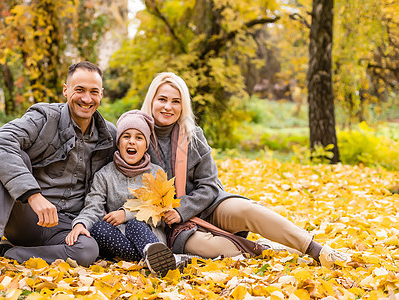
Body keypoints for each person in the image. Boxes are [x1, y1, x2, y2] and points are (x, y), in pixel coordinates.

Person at [140, 72, 351, 267]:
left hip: (207, 206)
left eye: (176, 101)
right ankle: (267, 250)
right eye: (162, 99)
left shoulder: (193, 136)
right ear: (152, 101)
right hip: (173, 227)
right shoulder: (138, 136)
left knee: (249, 210)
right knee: (214, 249)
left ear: (183, 106)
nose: (168, 107)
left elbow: (210, 185)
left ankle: (316, 249)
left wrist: (182, 209)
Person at [0, 61, 117, 286]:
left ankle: (9, 253)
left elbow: (133, 164)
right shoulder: (43, 118)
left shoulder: (109, 135)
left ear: (101, 94)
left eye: (93, 92)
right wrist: (33, 195)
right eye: (79, 90)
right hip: (26, 216)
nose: (87, 99)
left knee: (88, 250)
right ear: (65, 90)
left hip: (64, 227)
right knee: (14, 158)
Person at [65, 110, 176, 276]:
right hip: (118, 239)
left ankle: (152, 254)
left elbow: (160, 209)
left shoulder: (156, 173)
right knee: (97, 227)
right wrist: (81, 224)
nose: (132, 142)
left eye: (139, 137)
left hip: (149, 236)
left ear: (146, 145)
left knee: (134, 225)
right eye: (126, 136)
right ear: (118, 142)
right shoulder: (104, 175)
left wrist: (126, 215)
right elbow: (93, 206)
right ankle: (152, 261)